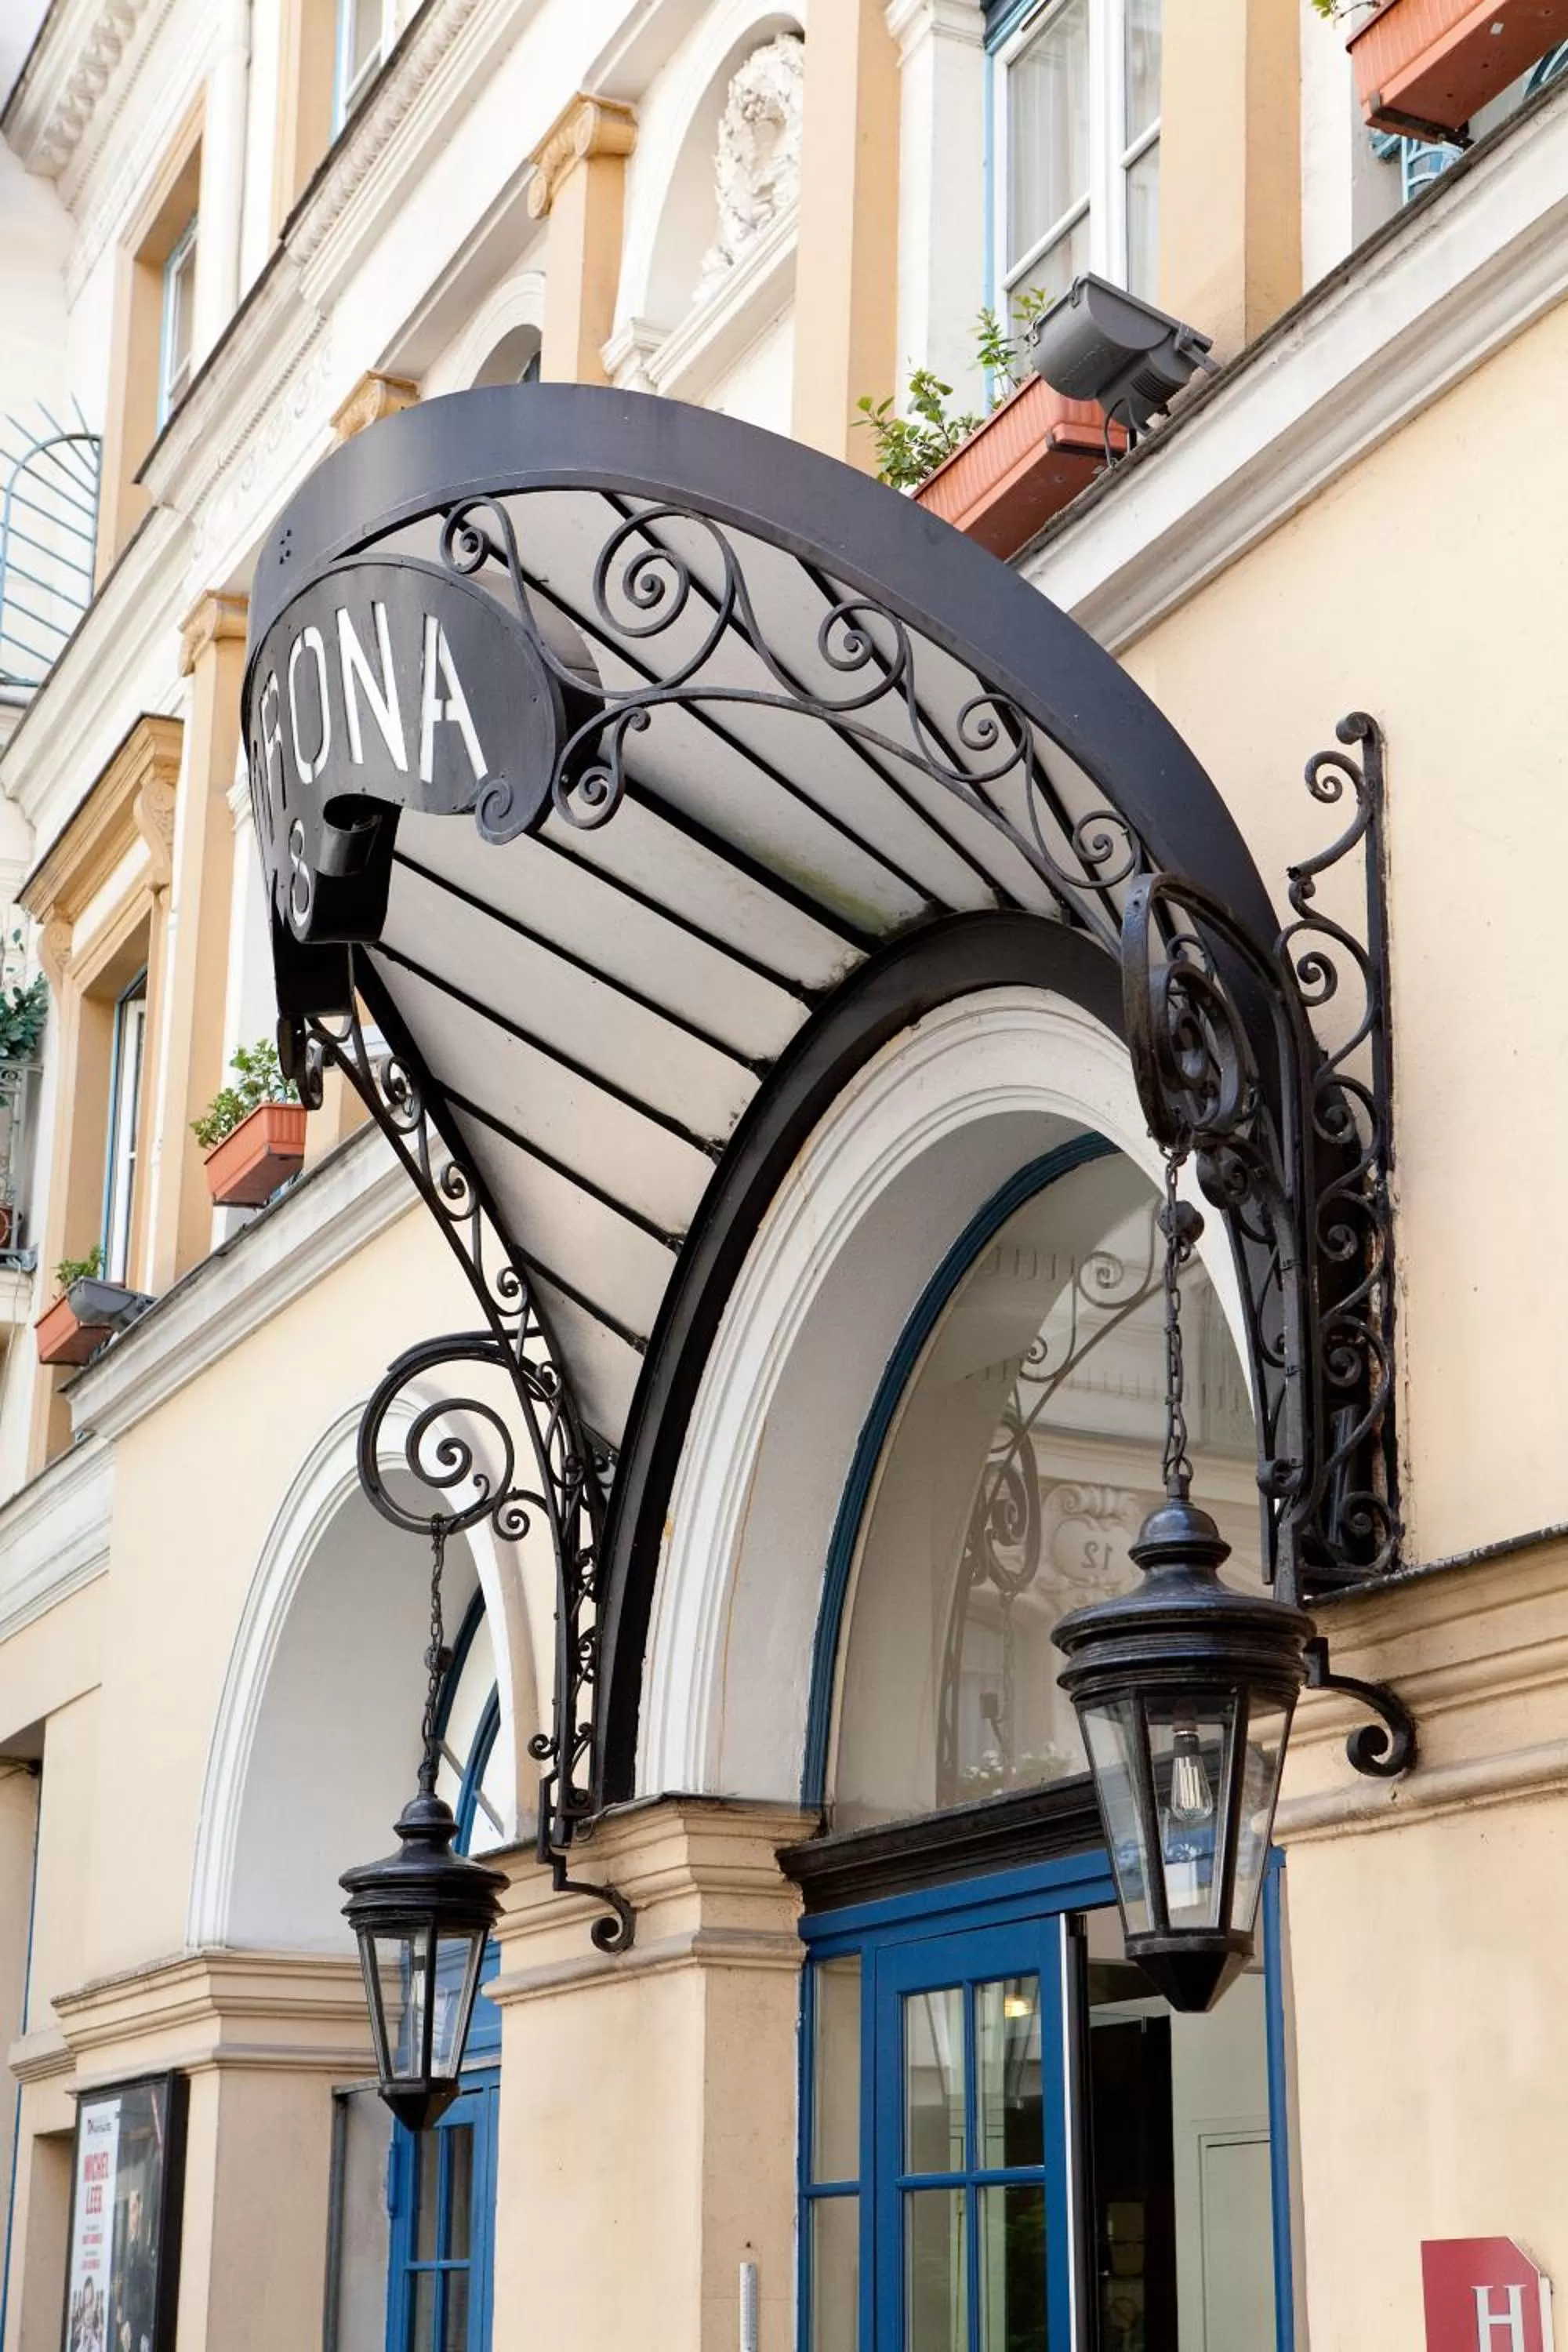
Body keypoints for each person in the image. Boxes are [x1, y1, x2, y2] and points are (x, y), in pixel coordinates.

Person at [113, 2188, 154, 2352]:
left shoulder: (145, 2248)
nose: (132, 2216)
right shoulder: (124, 2249)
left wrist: (131, 2321)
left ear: (141, 2209)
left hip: (139, 2328)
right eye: (130, 2211)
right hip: (125, 2327)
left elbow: (147, 2292)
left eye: (135, 2209)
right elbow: (122, 2285)